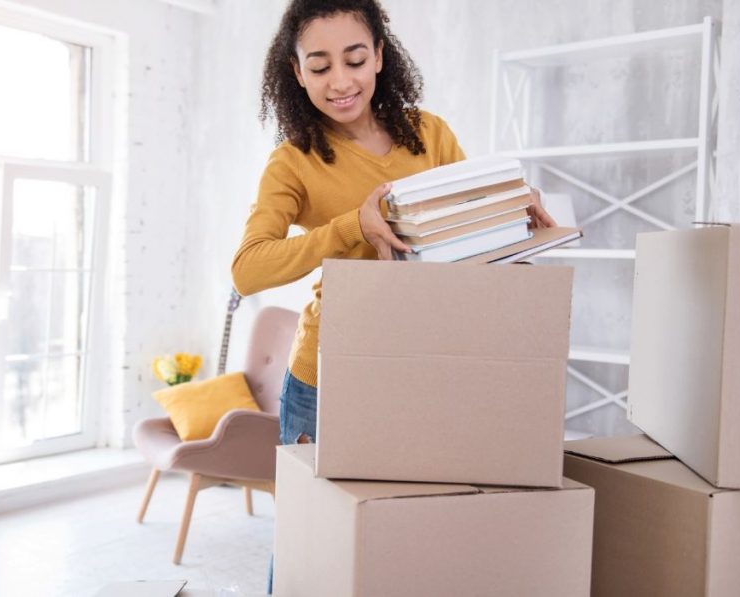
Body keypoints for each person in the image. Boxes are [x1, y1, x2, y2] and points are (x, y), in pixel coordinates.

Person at [230, 0, 555, 590]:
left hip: (423, 366)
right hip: (327, 377)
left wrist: (513, 220)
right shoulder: (294, 162)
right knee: (310, 537)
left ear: (379, 56)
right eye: (320, 66)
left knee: (404, 533)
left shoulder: (429, 134)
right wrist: (353, 225)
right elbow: (248, 270)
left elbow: (468, 247)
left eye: (354, 59)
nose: (340, 81)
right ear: (297, 73)